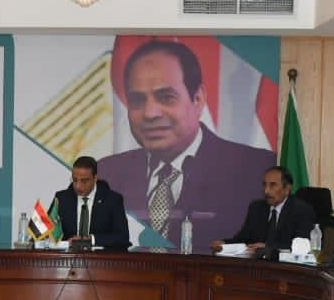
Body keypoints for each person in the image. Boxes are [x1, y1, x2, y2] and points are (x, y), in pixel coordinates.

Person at [98, 39, 273, 247]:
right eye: (137, 100)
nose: (150, 113)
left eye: (166, 97)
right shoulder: (107, 173)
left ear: (198, 99)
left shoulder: (256, 170)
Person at [215, 166, 317, 253]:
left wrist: (269, 247)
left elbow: (303, 246)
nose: (266, 191)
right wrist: (224, 244)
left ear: (287, 189)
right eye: (264, 185)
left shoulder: (301, 210)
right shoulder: (256, 207)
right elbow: (243, 238)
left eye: (273, 185)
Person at [51, 156, 131, 250]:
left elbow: (122, 237)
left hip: (101, 257)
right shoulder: (61, 199)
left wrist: (92, 239)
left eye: (84, 181)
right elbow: (49, 233)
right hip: (69, 257)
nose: (78, 186)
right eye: (75, 180)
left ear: (95, 178)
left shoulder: (112, 200)